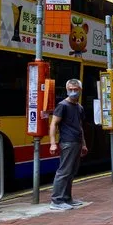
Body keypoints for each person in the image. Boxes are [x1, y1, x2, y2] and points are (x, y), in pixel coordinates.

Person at [49, 79, 88, 210]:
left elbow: (80, 126)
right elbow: (53, 124)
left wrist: (83, 144)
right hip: (67, 142)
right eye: (70, 89)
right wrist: (53, 143)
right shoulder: (62, 105)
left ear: (80, 90)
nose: (73, 92)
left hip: (76, 142)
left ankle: (67, 198)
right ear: (66, 90)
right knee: (64, 171)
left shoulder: (79, 107)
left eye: (75, 89)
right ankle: (57, 200)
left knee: (71, 171)